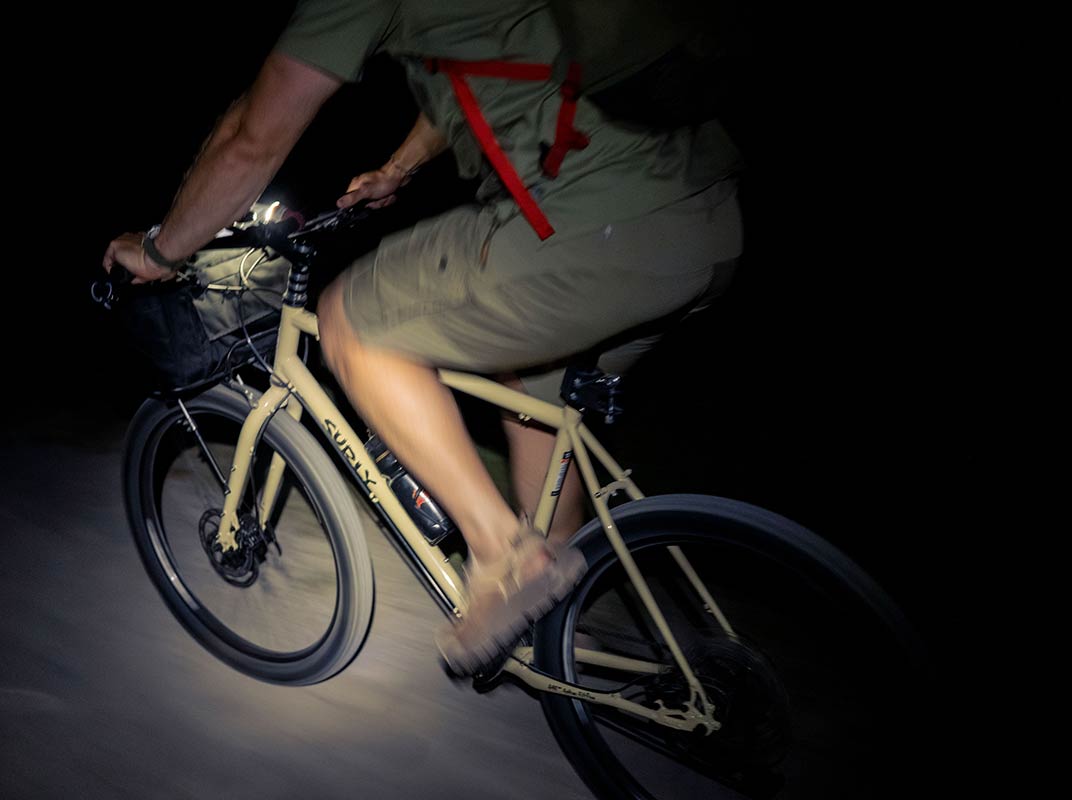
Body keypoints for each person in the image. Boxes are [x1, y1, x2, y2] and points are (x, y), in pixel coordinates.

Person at [103, 0, 743, 677]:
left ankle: (505, 560)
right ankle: (556, 601)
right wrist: (399, 169)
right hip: (698, 221)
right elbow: (496, 59)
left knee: (350, 320)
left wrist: (160, 250)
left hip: (591, 225)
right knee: (525, 378)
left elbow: (251, 138)